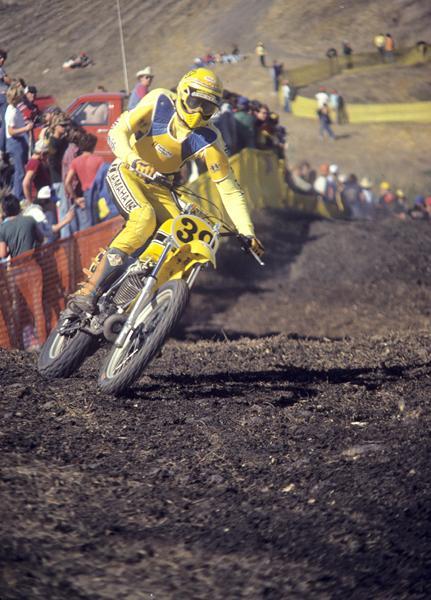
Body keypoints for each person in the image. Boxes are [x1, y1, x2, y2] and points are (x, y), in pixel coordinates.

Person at [67, 67, 264, 314]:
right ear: (183, 93)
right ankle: (90, 290)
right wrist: (132, 159)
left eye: (208, 107)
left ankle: (139, 301)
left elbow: (229, 189)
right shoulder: (160, 100)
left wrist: (247, 231)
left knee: (183, 236)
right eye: (196, 102)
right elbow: (118, 131)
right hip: (127, 171)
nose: (199, 112)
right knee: (144, 218)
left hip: (160, 186)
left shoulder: (209, 138)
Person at [64, 132, 104, 231]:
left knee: (88, 225)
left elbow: (67, 182)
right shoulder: (99, 160)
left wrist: (75, 198)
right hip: (98, 194)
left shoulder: (76, 161)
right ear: (93, 145)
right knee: (102, 224)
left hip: (86, 195)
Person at [4, 82, 33, 200]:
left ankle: (19, 194)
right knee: (20, 172)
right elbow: (11, 131)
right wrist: (25, 128)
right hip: (15, 142)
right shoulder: (11, 112)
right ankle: (18, 196)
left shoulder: (14, 109)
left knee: (20, 170)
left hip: (19, 141)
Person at [0, 192, 43, 258]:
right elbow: (41, 238)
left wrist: (11, 248)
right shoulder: (30, 220)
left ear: (4, 212)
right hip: (34, 263)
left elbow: (2, 254)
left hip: (17, 265)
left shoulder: (2, 228)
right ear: (18, 207)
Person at [22, 138, 51, 205]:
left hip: (43, 196)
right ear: (42, 154)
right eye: (47, 153)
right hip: (38, 198)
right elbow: (25, 183)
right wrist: (30, 202)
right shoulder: (34, 163)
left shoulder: (38, 162)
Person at [0, 48, 12, 154]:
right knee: (6, 122)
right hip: (2, 98)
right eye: (1, 58)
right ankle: (2, 149)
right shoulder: (0, 70)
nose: (3, 61)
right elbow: (7, 80)